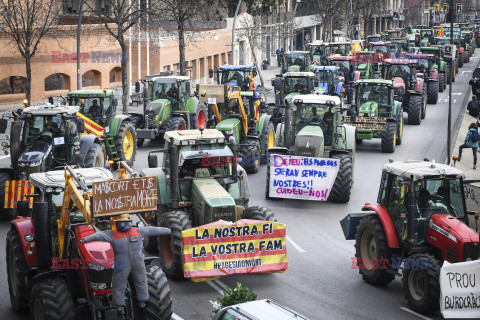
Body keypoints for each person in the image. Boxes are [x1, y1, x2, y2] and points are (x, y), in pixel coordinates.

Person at [80, 214, 170, 311]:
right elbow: (99, 235)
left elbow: (152, 230)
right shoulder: (114, 234)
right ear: (117, 223)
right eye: (121, 222)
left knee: (139, 279)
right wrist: (86, 239)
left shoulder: (135, 231)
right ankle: (120, 304)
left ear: (130, 222)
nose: (123, 224)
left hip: (132, 262)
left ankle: (141, 300)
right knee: (120, 282)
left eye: (125, 222)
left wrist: (167, 230)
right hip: (124, 262)